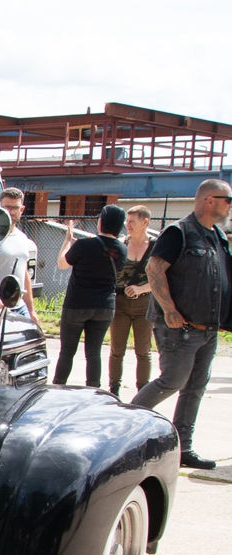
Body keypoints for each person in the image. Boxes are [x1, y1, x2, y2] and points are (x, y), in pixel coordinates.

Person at [131, 178, 232, 470]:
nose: (229, 206)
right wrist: (170, 310)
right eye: (228, 199)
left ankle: (183, 447)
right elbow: (154, 269)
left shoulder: (218, 235)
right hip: (180, 328)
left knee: (196, 387)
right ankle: (124, 427)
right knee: (172, 381)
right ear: (208, 200)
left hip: (207, 329)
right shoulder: (179, 232)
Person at [53, 204, 127, 387]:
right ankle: (93, 389)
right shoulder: (122, 250)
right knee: (93, 352)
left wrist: (67, 241)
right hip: (105, 307)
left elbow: (62, 263)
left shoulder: (84, 245)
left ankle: (58, 387)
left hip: (77, 304)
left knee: (67, 351)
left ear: (101, 221)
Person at [107, 205, 155, 398]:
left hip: (144, 303)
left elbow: (162, 278)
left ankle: (143, 392)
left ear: (145, 222)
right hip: (120, 302)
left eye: (132, 222)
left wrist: (141, 289)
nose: (128, 225)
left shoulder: (156, 247)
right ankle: (114, 389)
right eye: (127, 221)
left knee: (143, 350)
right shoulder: (121, 244)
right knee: (116, 349)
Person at [0, 187, 42, 327]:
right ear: (0, 208)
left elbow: (24, 273)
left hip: (19, 306)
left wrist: (31, 310)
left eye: (15, 208)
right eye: (7, 207)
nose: (11, 212)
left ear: (22, 209)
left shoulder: (22, 238)